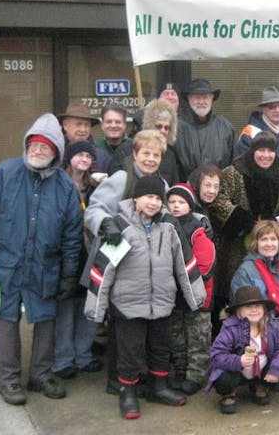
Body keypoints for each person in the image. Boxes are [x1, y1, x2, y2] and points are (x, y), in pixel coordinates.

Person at [0, 113, 83, 406]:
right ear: (26, 145)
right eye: (34, 145)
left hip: (46, 267)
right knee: (6, 321)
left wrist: (69, 274)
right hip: (6, 264)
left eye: (45, 146)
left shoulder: (65, 187)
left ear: (56, 152)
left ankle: (41, 375)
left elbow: (72, 236)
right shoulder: (5, 174)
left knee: (46, 321)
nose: (38, 150)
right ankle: (9, 379)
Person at [82, 175, 204, 419]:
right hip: (128, 304)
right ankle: (127, 392)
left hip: (162, 301)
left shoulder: (169, 226)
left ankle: (159, 387)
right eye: (149, 197)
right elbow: (104, 269)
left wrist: (196, 297)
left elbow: (185, 262)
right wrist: (96, 308)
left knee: (161, 348)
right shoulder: (120, 225)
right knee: (130, 352)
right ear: (136, 198)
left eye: (158, 198)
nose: (153, 203)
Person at [83, 129, 172, 396]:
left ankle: (136, 375)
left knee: (141, 324)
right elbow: (94, 208)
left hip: (147, 262)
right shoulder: (121, 179)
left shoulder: (162, 184)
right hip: (117, 257)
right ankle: (116, 381)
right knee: (120, 323)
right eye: (146, 153)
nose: (150, 159)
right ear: (135, 154)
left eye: (156, 155)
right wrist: (106, 223)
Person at [209, 131, 279, 318]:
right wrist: (243, 220)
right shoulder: (233, 172)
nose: (266, 155)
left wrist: (277, 222)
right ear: (252, 151)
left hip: (267, 244)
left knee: (265, 290)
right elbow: (218, 200)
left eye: (270, 151)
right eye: (261, 150)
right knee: (235, 290)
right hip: (235, 247)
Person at [53, 141, 103, 379]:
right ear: (69, 157)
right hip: (64, 252)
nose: (84, 159)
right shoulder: (57, 183)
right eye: (79, 155)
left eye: (88, 156)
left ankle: (83, 355)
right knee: (65, 307)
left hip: (90, 251)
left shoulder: (96, 187)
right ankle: (63, 359)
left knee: (88, 305)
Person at [206, 285, 279, 415]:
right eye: (248, 306)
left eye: (257, 306)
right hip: (237, 372)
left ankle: (260, 385)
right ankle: (228, 393)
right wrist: (238, 361)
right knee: (222, 378)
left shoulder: (271, 325)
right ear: (238, 311)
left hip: (261, 368)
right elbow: (216, 354)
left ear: (264, 308)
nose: (254, 310)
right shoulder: (230, 327)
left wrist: (276, 370)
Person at [166, 183, 216, 395]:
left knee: (198, 337)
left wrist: (188, 282)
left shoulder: (197, 230)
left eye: (181, 202)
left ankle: (196, 374)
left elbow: (205, 263)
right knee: (177, 335)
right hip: (174, 295)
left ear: (190, 205)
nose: (176, 206)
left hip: (197, 295)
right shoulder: (165, 226)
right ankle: (180, 369)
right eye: (172, 202)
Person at [108, 99, 180, 184]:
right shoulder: (126, 149)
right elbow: (114, 182)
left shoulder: (170, 155)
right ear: (149, 125)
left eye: (166, 128)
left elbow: (174, 185)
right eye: (159, 126)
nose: (163, 131)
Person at [175, 78, 235, 180]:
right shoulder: (177, 127)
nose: (201, 101)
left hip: (218, 188)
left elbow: (232, 165)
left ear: (212, 100)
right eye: (197, 97)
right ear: (189, 99)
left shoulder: (225, 127)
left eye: (205, 97)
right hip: (186, 188)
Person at [57, 101, 111, 172]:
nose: (83, 129)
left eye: (87, 125)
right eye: (78, 124)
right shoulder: (55, 153)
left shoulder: (101, 157)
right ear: (65, 125)